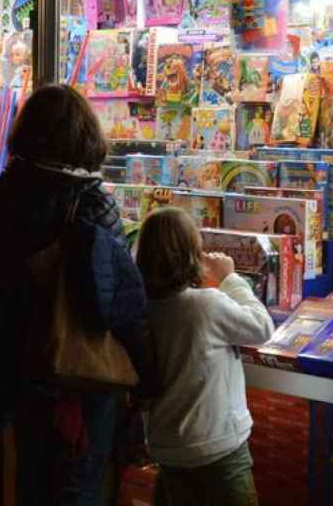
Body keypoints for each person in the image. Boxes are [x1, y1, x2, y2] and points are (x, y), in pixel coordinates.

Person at [0, 84, 146, 504]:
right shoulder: (90, 203)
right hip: (79, 375)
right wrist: (148, 373)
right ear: (84, 135)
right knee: (78, 483)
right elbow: (121, 302)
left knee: (31, 478)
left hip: (20, 370)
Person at [136, 207, 274, 506]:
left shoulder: (141, 308)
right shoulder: (205, 305)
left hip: (166, 448)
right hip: (218, 448)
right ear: (191, 254)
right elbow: (262, 327)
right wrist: (230, 278)